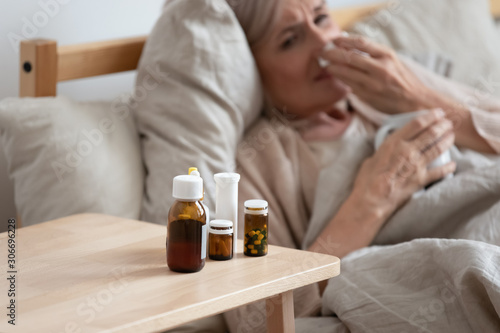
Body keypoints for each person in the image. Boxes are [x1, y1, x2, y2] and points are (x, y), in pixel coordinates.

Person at [228, 0, 500, 261]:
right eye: (290, 40)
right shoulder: (257, 163)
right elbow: (268, 302)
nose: (323, 43)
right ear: (252, 68)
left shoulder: (391, 78)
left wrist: (418, 98)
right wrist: (373, 200)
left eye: (321, 18)